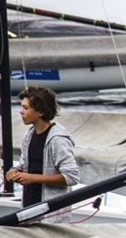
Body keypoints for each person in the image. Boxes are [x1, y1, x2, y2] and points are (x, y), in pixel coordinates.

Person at [4, 87, 80, 218]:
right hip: (28, 211)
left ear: (40, 111)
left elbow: (71, 177)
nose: (21, 112)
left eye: (26, 108)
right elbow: (24, 164)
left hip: (51, 217)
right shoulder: (30, 134)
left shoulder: (57, 139)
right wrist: (14, 171)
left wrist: (32, 178)